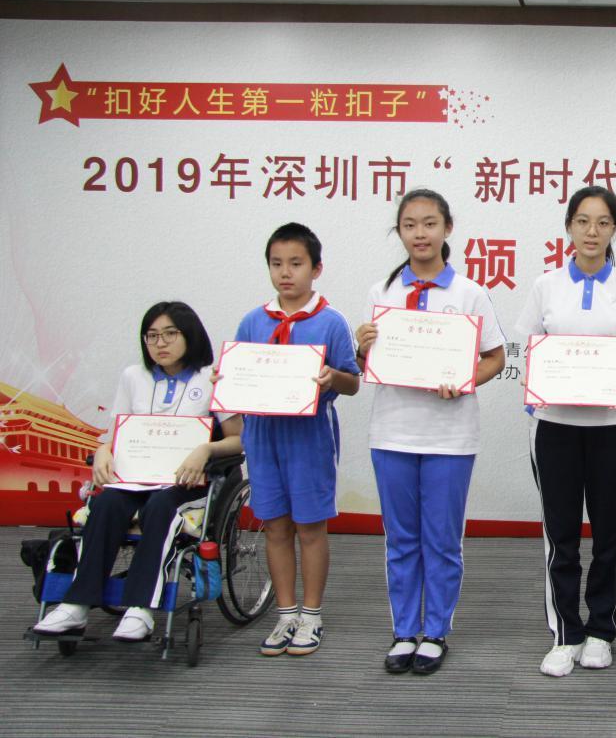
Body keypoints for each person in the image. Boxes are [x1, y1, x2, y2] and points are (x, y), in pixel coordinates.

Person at [355, 189, 506, 674]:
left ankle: (436, 631)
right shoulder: (381, 293)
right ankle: (404, 630)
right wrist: (362, 347)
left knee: (441, 539)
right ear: (399, 232)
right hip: (392, 432)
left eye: (429, 223)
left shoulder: (469, 292)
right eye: (410, 225)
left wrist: (464, 381)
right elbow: (367, 364)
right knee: (400, 539)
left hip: (450, 436)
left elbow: (495, 357)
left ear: (447, 228)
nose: (420, 234)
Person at [33, 302, 243, 642]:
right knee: (106, 504)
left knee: (160, 507)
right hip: (136, 478)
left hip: (187, 482)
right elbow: (115, 435)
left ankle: (140, 609)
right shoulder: (134, 377)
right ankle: (76, 605)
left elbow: (239, 440)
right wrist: (103, 452)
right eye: (152, 336)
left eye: (170, 334)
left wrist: (205, 449)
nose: (160, 343)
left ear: (190, 335)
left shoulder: (212, 377)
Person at [516, 185, 616, 677]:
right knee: (560, 536)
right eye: (582, 221)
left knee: (608, 535)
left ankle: (600, 631)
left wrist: (612, 376)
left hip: (614, 428)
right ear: (569, 228)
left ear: (615, 229)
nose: (591, 231)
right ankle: (565, 633)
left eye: (602, 222)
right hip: (554, 426)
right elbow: (532, 350)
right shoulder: (546, 286)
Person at [233, 222, 360, 657]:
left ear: (316, 268)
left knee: (310, 527)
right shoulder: (253, 320)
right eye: (276, 264)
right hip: (263, 436)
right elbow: (240, 374)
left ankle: (311, 614)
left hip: (309, 439)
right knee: (275, 526)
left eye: (296, 264)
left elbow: (352, 382)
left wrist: (332, 377)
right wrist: (226, 381)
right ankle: (285, 614)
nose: (285, 273)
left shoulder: (330, 321)